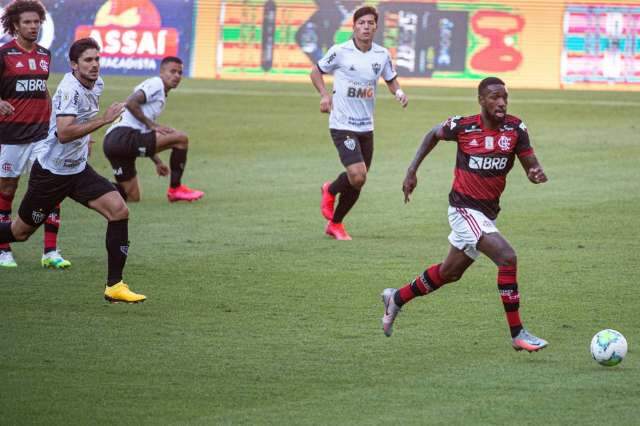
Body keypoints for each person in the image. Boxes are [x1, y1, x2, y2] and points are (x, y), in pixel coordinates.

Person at [381, 77, 549, 352]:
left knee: (450, 273)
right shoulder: (463, 126)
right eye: (494, 97)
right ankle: (518, 334)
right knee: (507, 258)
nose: (502, 102)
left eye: (504, 97)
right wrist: (412, 170)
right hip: (463, 209)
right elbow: (432, 134)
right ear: (481, 100)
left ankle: (396, 298)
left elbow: (532, 168)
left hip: (487, 214)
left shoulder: (516, 129)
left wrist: (536, 174)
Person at [0, 37, 145, 303]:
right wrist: (104, 120)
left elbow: (80, 122)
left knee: (119, 210)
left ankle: (115, 286)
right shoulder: (69, 90)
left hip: (77, 170)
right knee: (20, 232)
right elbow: (65, 133)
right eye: (88, 60)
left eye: (97, 59)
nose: (94, 65)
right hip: (51, 173)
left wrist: (87, 137)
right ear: (74, 65)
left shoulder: (96, 83)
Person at [310, 5, 408, 240]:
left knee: (358, 182)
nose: (366, 27)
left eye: (370, 23)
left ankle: (335, 223)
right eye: (361, 23)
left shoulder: (381, 54)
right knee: (358, 175)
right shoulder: (340, 51)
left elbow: (391, 78)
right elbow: (316, 71)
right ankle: (331, 190)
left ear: (376, 27)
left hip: (366, 126)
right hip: (342, 123)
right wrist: (324, 95)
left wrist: (399, 92)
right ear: (354, 26)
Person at [0, 0, 70, 269]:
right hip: (12, 136)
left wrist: (57, 123)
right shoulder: (4, 54)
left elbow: (43, 90)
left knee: (51, 188)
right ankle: (4, 248)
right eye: (27, 22)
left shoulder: (44, 54)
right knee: (7, 189)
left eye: (36, 22)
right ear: (15, 25)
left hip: (42, 134)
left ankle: (50, 251)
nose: (33, 26)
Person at [102, 56, 204, 203]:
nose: (177, 76)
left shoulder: (160, 94)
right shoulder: (156, 83)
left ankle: (90, 185)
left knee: (131, 196)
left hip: (113, 143)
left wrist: (157, 161)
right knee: (181, 139)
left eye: (180, 73)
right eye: (172, 71)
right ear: (161, 72)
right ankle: (175, 189)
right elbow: (131, 102)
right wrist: (153, 125)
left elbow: (142, 133)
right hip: (123, 136)